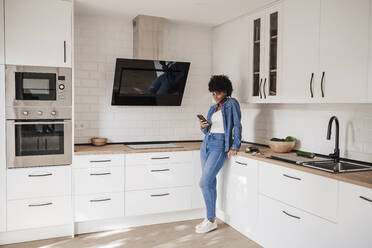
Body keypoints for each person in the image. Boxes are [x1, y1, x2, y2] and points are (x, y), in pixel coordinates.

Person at [195, 75, 242, 234]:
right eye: (213, 92)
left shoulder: (232, 104)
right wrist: (203, 126)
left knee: (204, 182)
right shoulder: (212, 108)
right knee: (209, 182)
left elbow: (237, 125)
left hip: (220, 145)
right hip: (207, 144)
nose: (214, 95)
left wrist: (235, 145)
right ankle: (210, 218)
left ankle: (210, 219)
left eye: (217, 92)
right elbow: (207, 130)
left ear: (225, 91)